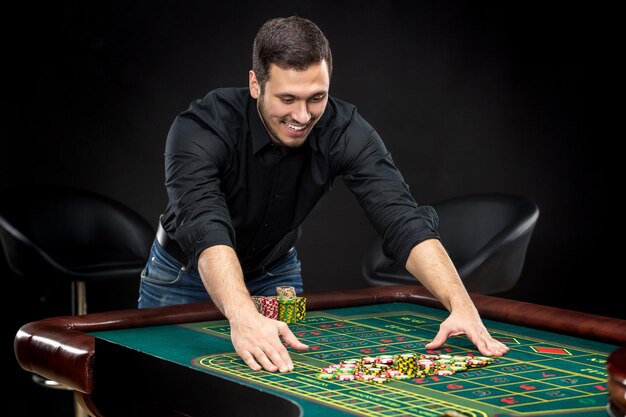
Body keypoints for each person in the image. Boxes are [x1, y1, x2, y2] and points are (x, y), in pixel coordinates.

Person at [138, 15, 509, 373]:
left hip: (274, 274)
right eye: (287, 99)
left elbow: (401, 219)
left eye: (317, 97)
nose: (302, 115)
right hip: (183, 275)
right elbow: (205, 224)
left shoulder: (344, 130)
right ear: (255, 85)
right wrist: (242, 314)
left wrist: (461, 304)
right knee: (160, 391)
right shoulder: (200, 127)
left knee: (281, 381)